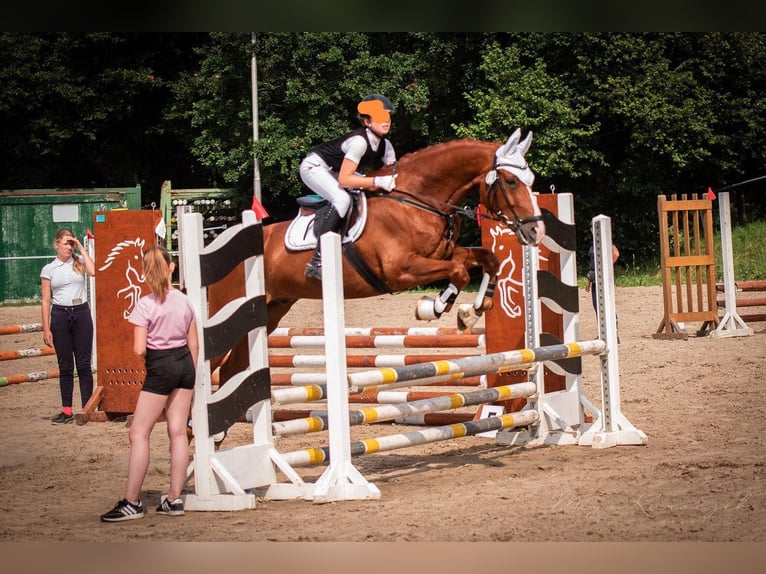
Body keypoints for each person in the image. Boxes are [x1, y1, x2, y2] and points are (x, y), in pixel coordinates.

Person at [100, 245, 198, 522]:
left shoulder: (145, 304)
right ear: (172, 267)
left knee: (138, 433)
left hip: (161, 366)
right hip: (185, 365)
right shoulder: (184, 300)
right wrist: (188, 369)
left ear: (144, 273)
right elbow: (194, 343)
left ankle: (131, 502)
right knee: (178, 432)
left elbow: (139, 349)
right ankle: (174, 499)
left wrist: (156, 362)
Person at [300, 93, 398, 280]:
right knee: (342, 199)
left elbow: (393, 175)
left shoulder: (387, 146)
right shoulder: (359, 142)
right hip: (315, 167)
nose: (386, 122)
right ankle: (317, 261)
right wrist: (375, 182)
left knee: (366, 195)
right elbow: (345, 180)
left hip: (335, 171)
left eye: (388, 117)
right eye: (380, 118)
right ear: (367, 122)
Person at [40, 228, 96, 424]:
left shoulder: (79, 263)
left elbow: (94, 271)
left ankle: (87, 408)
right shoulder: (49, 269)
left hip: (80, 312)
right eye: (66, 243)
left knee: (83, 364)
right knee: (65, 365)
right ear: (56, 245)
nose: (69, 247)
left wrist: (81, 247)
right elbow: (46, 300)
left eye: (71, 243)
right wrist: (46, 328)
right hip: (60, 315)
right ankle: (66, 410)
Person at [584, 221, 620, 341]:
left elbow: (615, 254)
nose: (593, 231)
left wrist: (606, 267)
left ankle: (614, 333)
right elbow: (592, 265)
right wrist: (589, 279)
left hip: (604, 279)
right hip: (594, 278)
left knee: (607, 305)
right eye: (592, 228)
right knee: (597, 306)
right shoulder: (593, 245)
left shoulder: (606, 242)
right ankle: (603, 333)